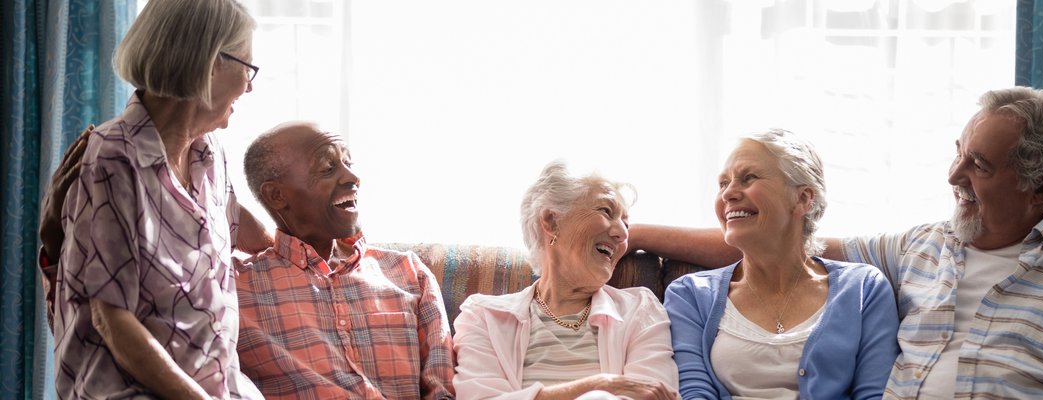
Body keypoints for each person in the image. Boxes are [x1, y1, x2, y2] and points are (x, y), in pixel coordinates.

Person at [630, 87, 1043, 399]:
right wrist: (628, 234)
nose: (953, 174)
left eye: (979, 166)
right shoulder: (921, 245)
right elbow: (781, 241)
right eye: (958, 151)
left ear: (1038, 187)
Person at [45, 0, 268, 398]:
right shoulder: (114, 156)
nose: (251, 86)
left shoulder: (209, 153)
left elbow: (252, 236)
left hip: (221, 386)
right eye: (247, 69)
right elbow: (111, 319)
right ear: (211, 62)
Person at [664, 129, 899, 399]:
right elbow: (694, 392)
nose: (728, 194)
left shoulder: (864, 288)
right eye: (722, 183)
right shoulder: (688, 294)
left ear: (802, 199)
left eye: (748, 178)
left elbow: (874, 394)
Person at [235, 121, 455, 399]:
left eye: (348, 163)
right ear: (277, 195)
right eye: (328, 168)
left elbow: (441, 390)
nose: (353, 178)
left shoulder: (409, 272)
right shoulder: (235, 287)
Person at [452, 161, 679, 400]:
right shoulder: (483, 315)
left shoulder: (640, 308)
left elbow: (654, 395)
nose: (623, 234)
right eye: (605, 211)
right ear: (551, 221)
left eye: (626, 224)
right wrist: (602, 385)